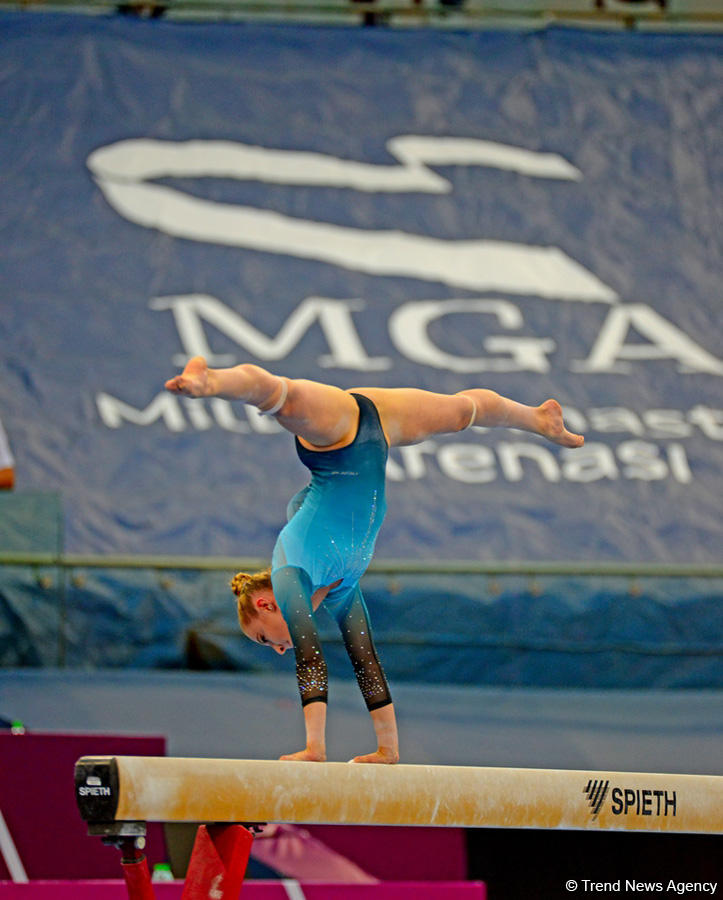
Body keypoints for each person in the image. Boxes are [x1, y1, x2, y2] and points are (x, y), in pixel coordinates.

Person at [165, 357, 584, 765]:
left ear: (265, 604)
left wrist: (314, 748)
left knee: (283, 398)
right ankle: (538, 419)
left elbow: (309, 658)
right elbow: (364, 658)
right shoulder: (341, 589)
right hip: (380, 427)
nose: (276, 649)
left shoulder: (289, 575)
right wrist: (388, 749)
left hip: (336, 438)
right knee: (460, 413)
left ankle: (210, 382)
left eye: (264, 639)